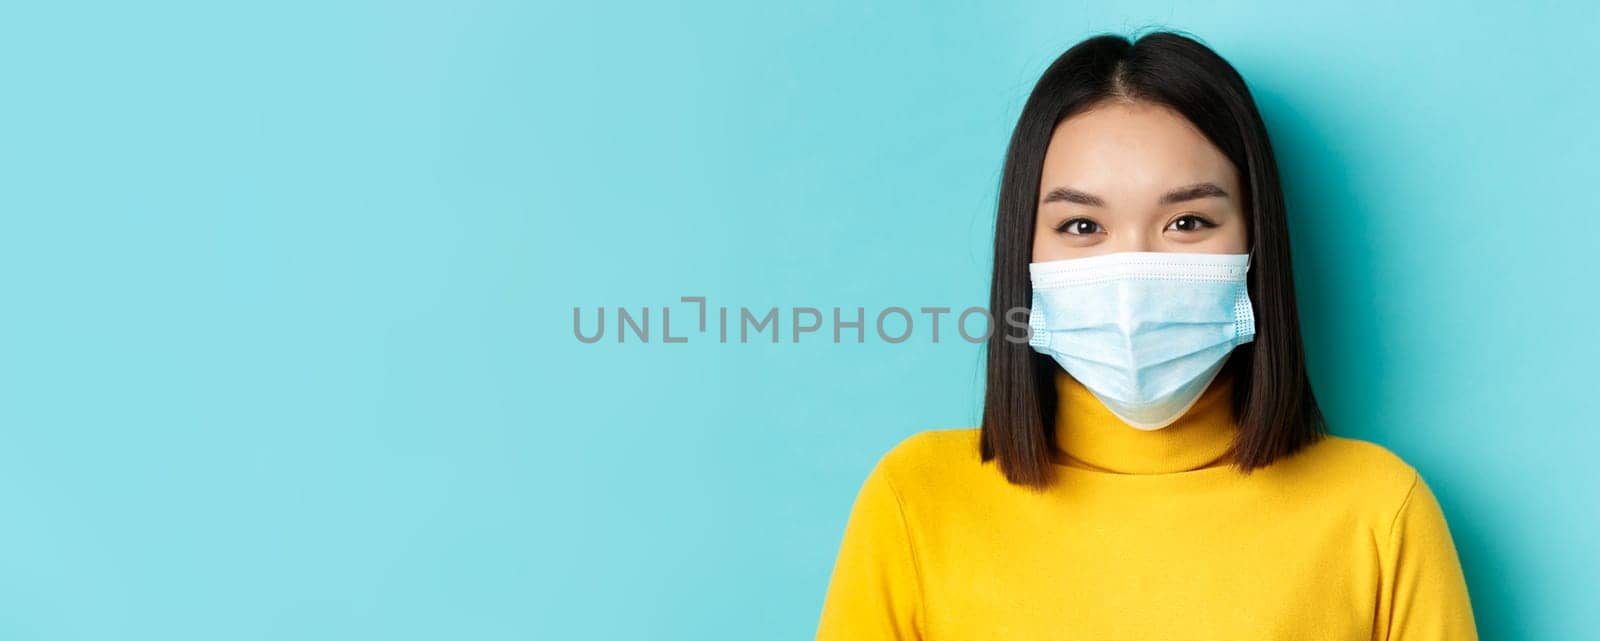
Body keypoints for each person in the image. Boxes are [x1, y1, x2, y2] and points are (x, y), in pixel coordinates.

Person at [814, 30, 1478, 640]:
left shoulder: (1380, 514)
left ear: (1255, 243)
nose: (1133, 271)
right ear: (1024, 252)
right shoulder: (915, 502)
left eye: (1187, 222)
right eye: (1082, 226)